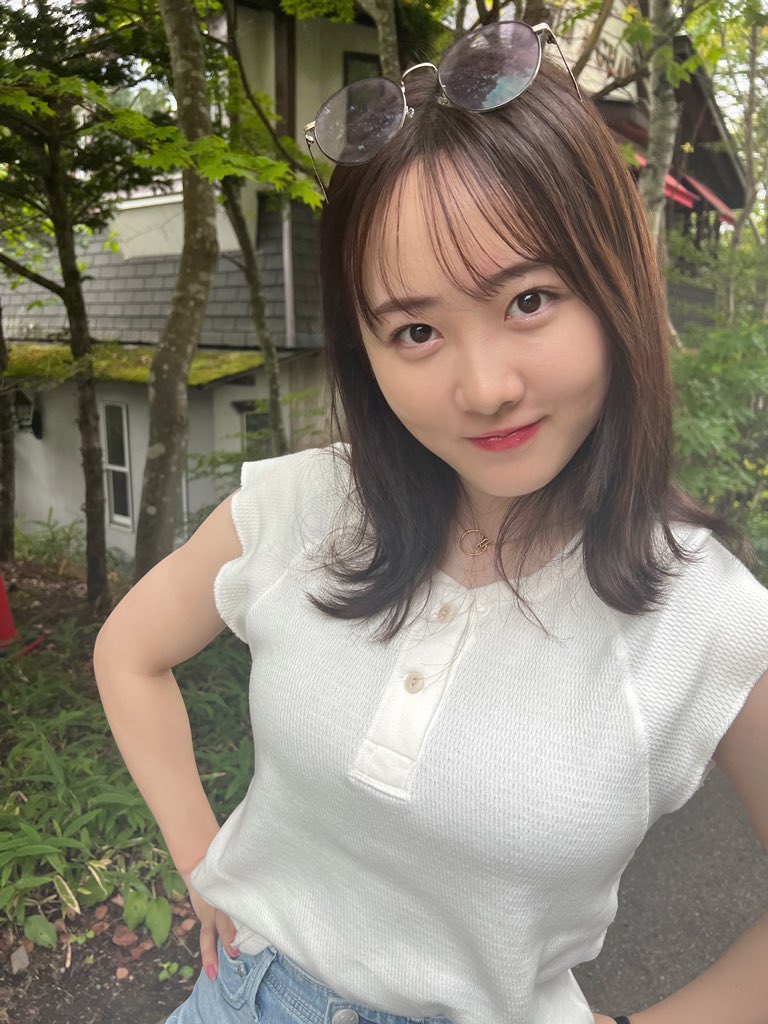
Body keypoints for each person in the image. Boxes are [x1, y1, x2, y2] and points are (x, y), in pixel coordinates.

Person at [93, 20, 768, 1024]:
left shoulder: (705, 615)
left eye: (530, 299)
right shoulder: (309, 507)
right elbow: (129, 651)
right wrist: (201, 860)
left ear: (615, 284)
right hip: (239, 995)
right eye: (415, 329)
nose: (484, 387)